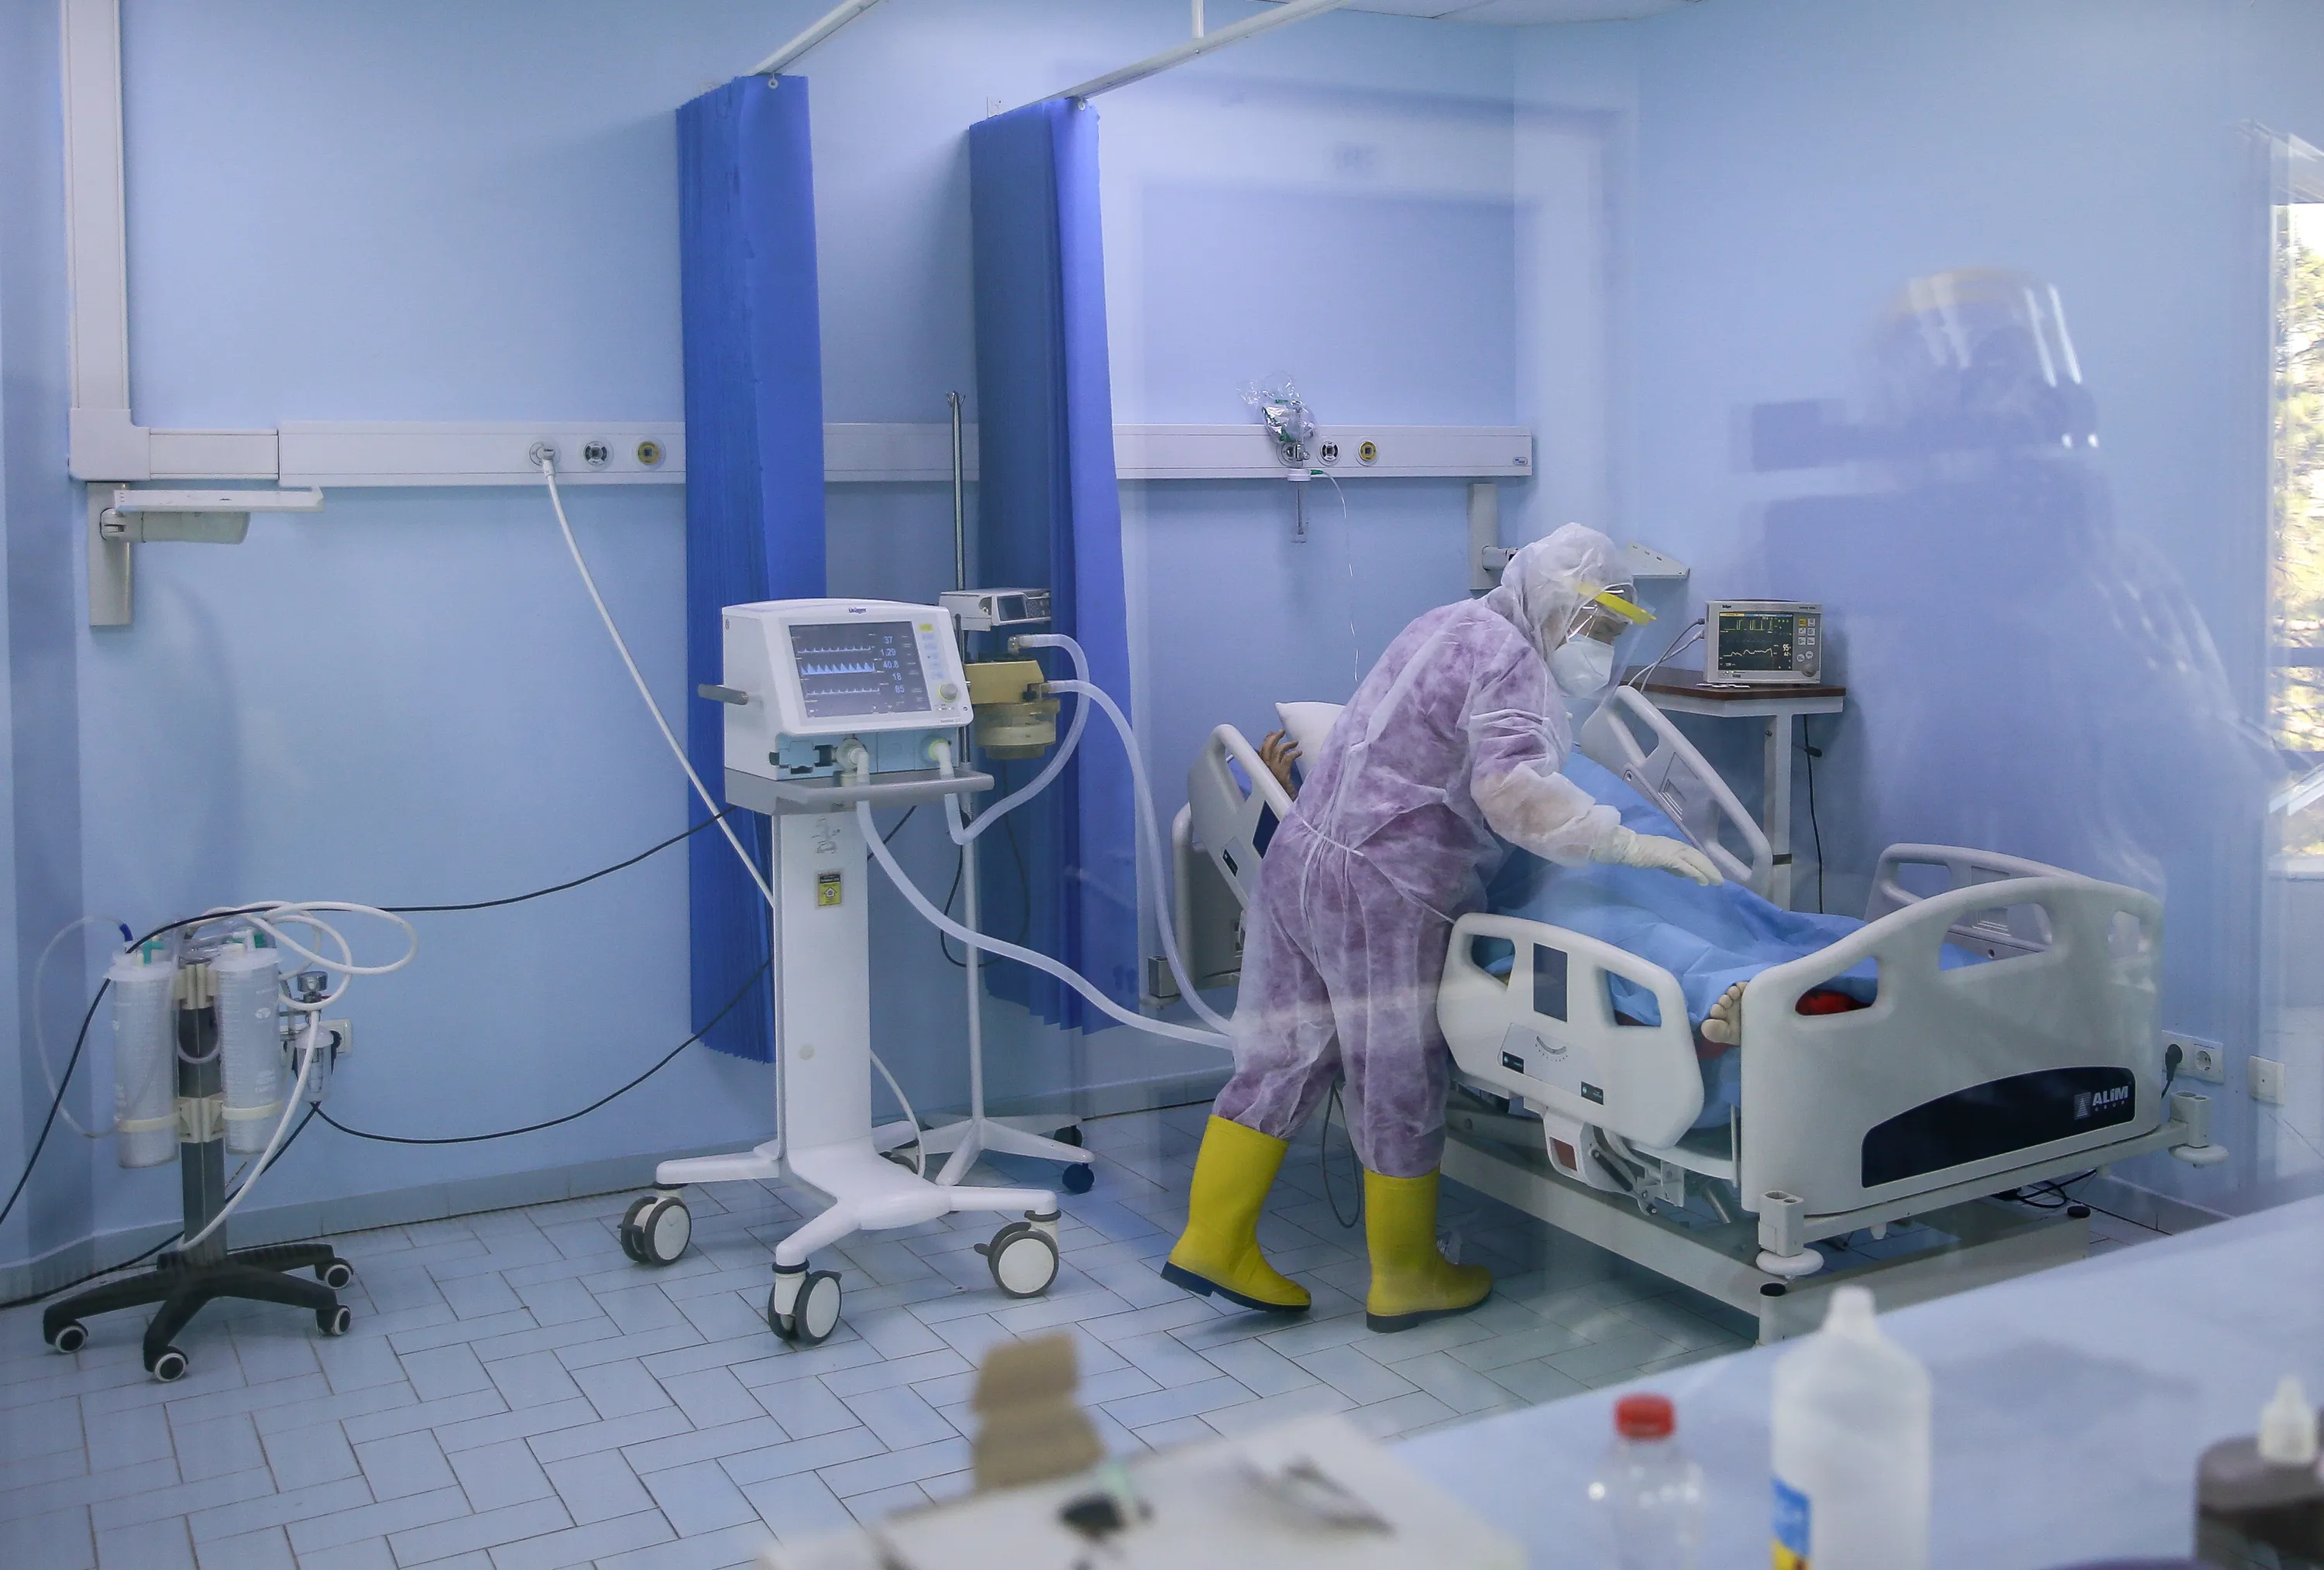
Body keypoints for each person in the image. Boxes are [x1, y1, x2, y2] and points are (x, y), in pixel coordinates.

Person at [1162, 524, 1722, 1332]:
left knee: (1284, 1052)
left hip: (1304, 859)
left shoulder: (1444, 624)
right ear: (1553, 600)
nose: (1598, 646)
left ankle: (1213, 1239)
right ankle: (1406, 1273)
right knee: (1395, 1071)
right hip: (1388, 885)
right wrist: (1623, 840)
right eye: (1594, 625)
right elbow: (1512, 791)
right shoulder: (1510, 660)